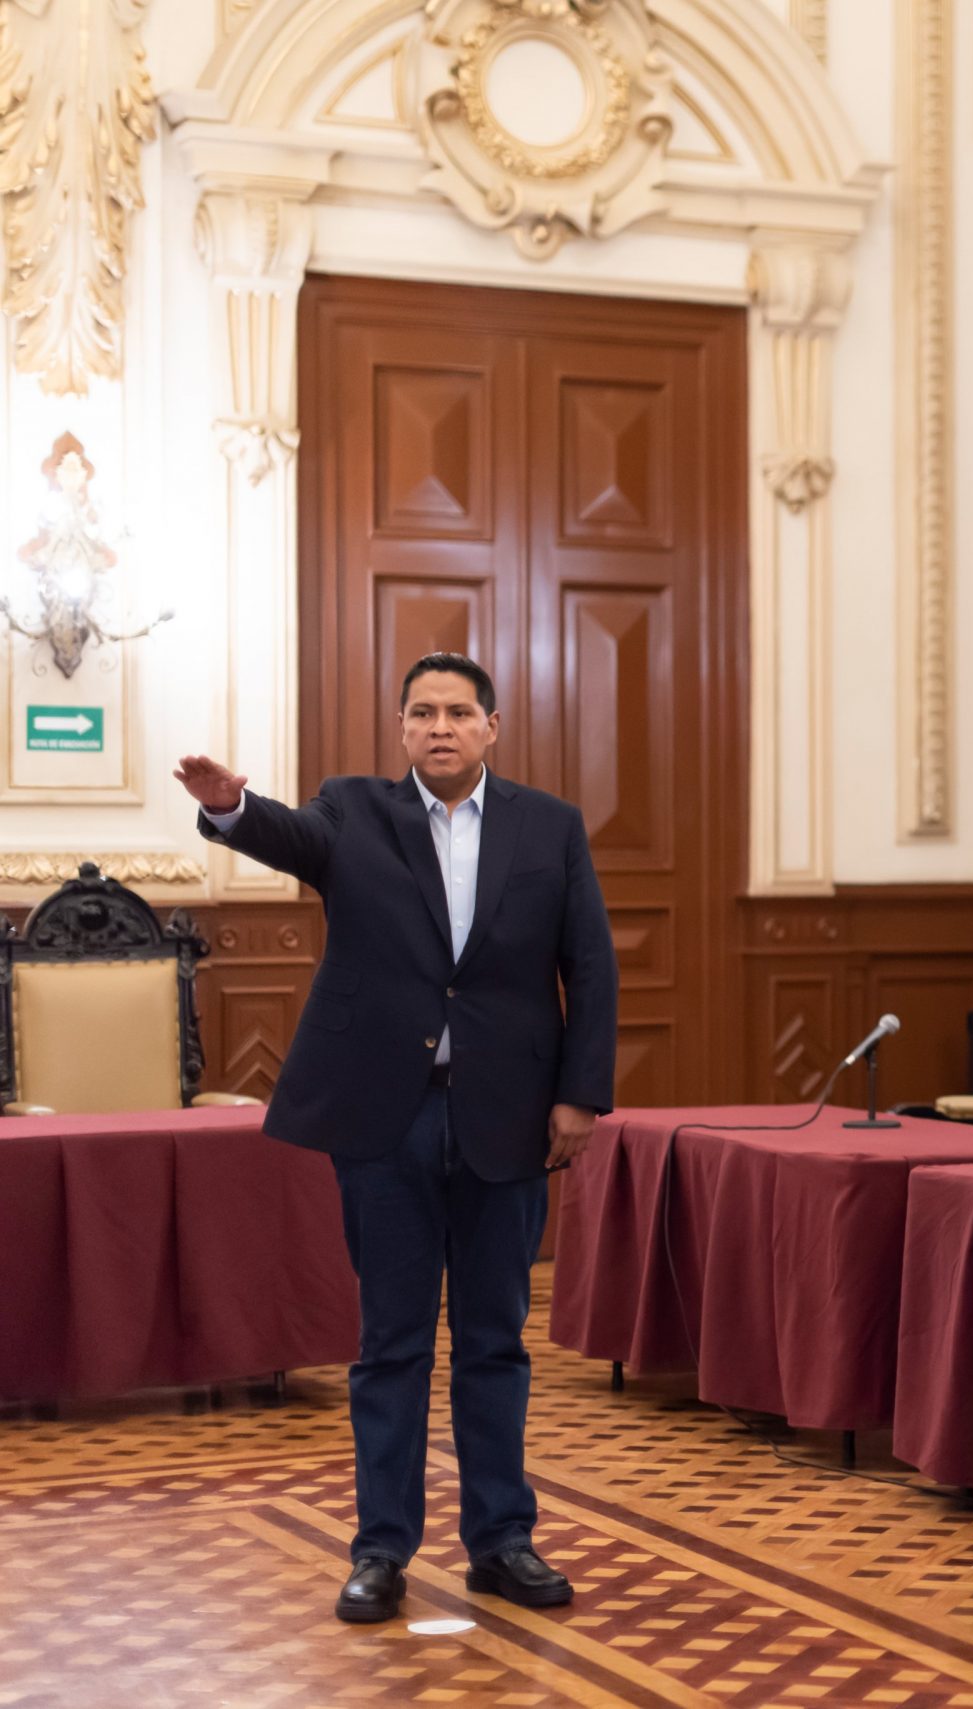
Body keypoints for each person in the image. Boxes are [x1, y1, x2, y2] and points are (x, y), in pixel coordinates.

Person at [175, 652, 618, 1625]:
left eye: (459, 711)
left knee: (496, 1340)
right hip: (387, 1116)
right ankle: (381, 1550)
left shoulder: (550, 827)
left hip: (508, 1114)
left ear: (492, 726)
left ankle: (502, 1540)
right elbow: (288, 835)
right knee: (391, 1343)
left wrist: (581, 1095)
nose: (440, 726)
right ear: (403, 726)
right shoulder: (354, 809)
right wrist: (229, 809)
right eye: (422, 711)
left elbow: (589, 965)